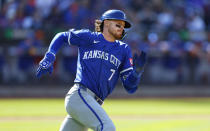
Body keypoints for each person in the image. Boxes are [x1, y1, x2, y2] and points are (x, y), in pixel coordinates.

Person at [36, 9, 146, 131]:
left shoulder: (123, 49)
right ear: (107, 23)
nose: (122, 28)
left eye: (124, 26)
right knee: (107, 127)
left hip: (91, 104)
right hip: (80, 95)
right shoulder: (89, 37)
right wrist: (50, 55)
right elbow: (61, 36)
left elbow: (130, 87)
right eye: (119, 24)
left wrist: (136, 73)